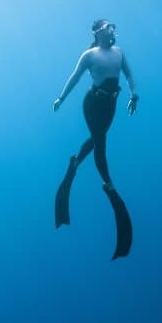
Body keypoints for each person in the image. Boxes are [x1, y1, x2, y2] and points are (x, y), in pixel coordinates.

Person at [53, 19, 139, 259]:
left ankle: (76, 162)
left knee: (97, 138)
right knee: (100, 143)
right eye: (109, 26)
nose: (113, 30)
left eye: (114, 26)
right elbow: (74, 78)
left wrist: (135, 95)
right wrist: (61, 98)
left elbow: (129, 75)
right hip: (93, 104)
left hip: (111, 105)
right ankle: (108, 183)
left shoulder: (119, 52)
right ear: (98, 31)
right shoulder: (89, 55)